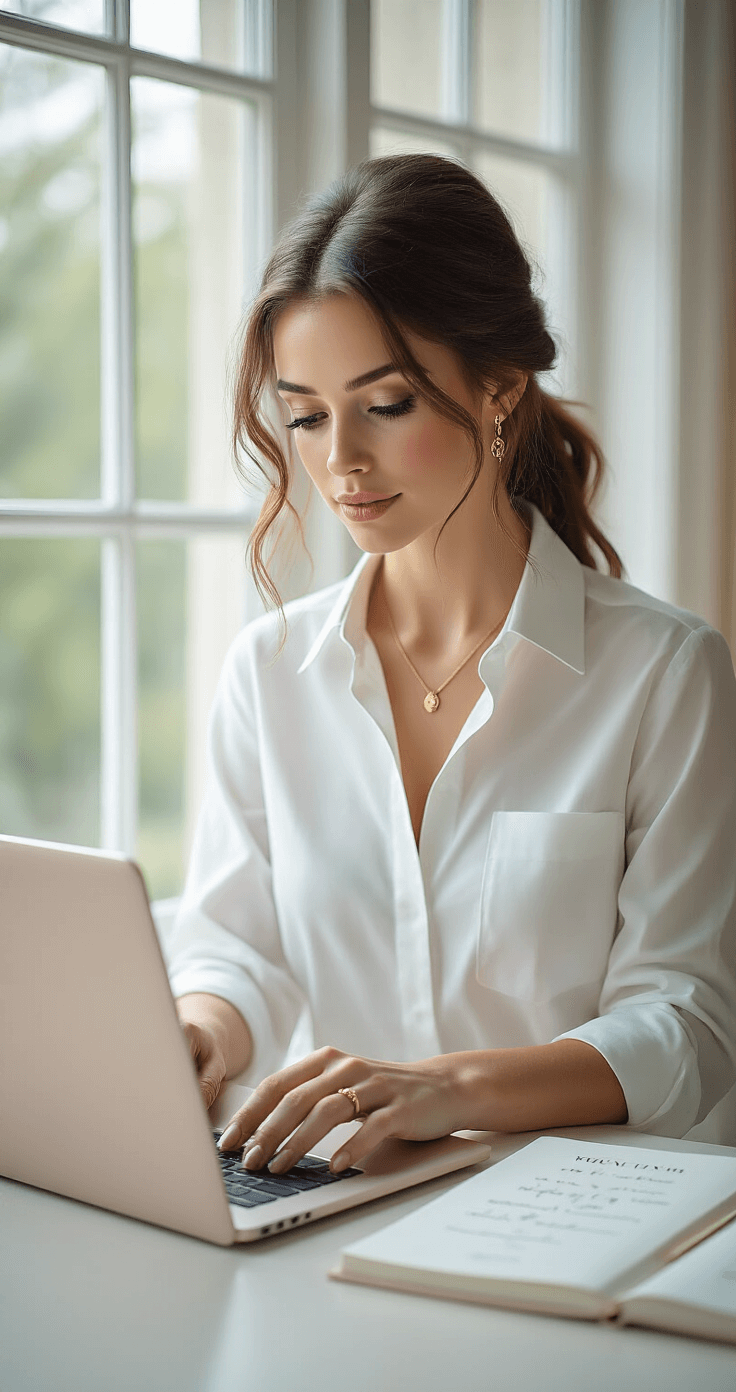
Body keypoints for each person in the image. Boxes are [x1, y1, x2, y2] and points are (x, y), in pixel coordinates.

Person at [168, 153, 736, 1178]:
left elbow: (687, 1027)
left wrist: (449, 1089)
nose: (339, 458)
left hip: (567, 1216)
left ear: (500, 387)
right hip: (331, 1204)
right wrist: (199, 1030)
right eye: (304, 414)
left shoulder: (666, 674)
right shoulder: (268, 672)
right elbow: (235, 948)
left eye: (384, 405)